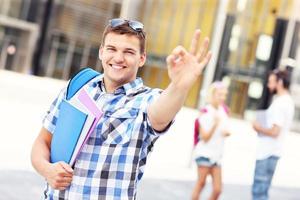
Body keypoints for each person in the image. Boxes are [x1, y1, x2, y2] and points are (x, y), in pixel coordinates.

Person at [31, 18, 212, 199]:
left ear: (142, 59)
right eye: (112, 49)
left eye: (128, 52)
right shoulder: (77, 88)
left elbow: (160, 115)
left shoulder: (145, 101)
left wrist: (179, 86)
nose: (118, 58)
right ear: (101, 52)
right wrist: (48, 170)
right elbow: (42, 142)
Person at [252, 68, 295, 200]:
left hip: (267, 153)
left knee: (259, 193)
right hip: (273, 152)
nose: (268, 85)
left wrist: (258, 127)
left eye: (271, 82)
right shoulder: (287, 101)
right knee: (263, 191)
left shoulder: (280, 103)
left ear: (280, 82)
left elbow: (275, 131)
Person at [192, 81, 230, 200]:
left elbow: (224, 129)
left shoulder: (224, 110)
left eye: (224, 95)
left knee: (218, 189)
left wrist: (226, 132)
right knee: (201, 183)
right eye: (220, 94)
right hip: (204, 153)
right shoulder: (205, 111)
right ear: (212, 94)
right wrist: (215, 125)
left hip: (216, 155)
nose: (222, 98)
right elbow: (205, 137)